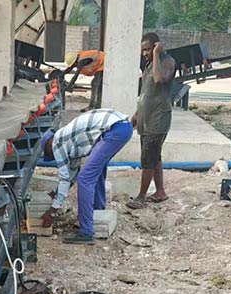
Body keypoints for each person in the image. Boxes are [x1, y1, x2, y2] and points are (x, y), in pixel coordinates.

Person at [40, 109, 133, 244]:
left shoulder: (57, 143)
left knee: (85, 178)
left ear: (49, 143)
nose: (53, 156)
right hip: (123, 127)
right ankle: (98, 213)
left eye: (50, 153)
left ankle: (86, 232)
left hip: (115, 130)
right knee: (96, 172)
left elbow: (65, 178)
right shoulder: (69, 140)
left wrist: (53, 210)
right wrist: (56, 193)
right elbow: (71, 174)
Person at [126, 32, 176, 210]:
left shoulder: (167, 62)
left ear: (157, 46)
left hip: (158, 120)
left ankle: (141, 197)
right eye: (144, 50)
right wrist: (136, 115)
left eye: (148, 49)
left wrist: (156, 55)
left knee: (147, 158)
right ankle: (160, 192)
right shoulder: (148, 66)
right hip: (146, 120)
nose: (145, 53)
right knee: (155, 157)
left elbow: (159, 79)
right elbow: (145, 94)